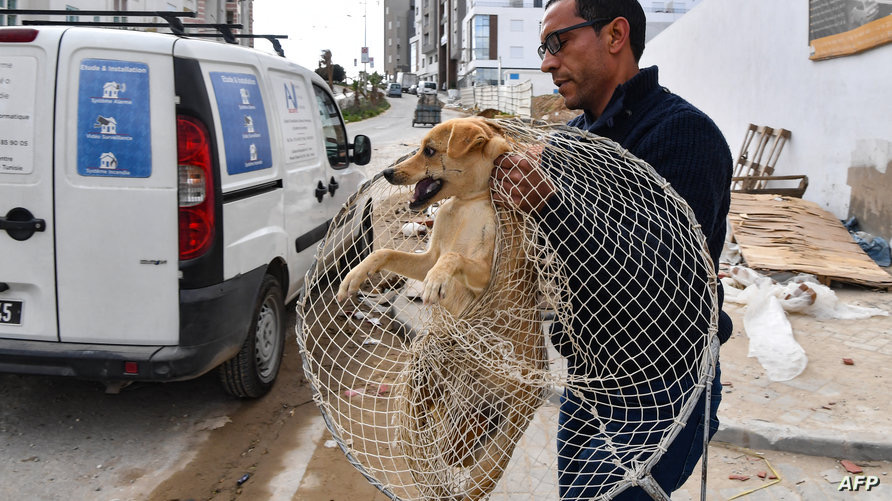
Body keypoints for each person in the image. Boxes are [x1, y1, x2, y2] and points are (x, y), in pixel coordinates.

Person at [490, 0, 733, 498]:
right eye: (543, 47)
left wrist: (551, 207)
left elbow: (667, 289)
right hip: (587, 382)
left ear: (615, 35)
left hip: (662, 391)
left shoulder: (683, 134)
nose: (546, 63)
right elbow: (550, 262)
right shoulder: (569, 143)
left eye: (557, 43)